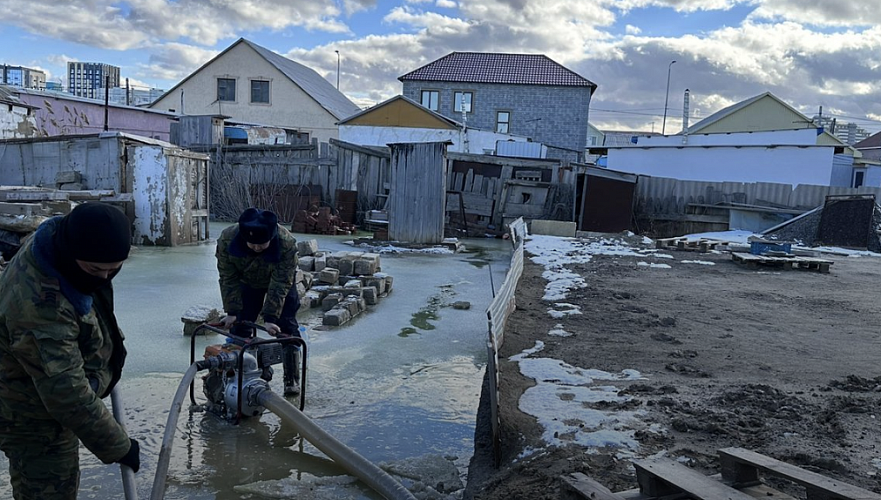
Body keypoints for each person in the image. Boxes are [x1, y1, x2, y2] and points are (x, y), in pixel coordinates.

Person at [0, 203, 140, 499]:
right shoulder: (40, 306)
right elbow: (67, 395)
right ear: (70, 253)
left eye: (114, 270)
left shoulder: (56, 242)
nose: (103, 279)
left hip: (44, 395)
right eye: (94, 270)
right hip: (32, 418)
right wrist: (119, 446)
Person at [216, 208, 302, 396]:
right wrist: (231, 311)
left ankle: (291, 380)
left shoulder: (286, 243)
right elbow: (227, 277)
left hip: (279, 281)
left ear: (271, 238)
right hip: (246, 281)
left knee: (286, 327)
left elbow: (280, 283)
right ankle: (248, 372)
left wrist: (271, 317)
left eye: (261, 244)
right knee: (240, 326)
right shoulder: (227, 240)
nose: (256, 248)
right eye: (252, 244)